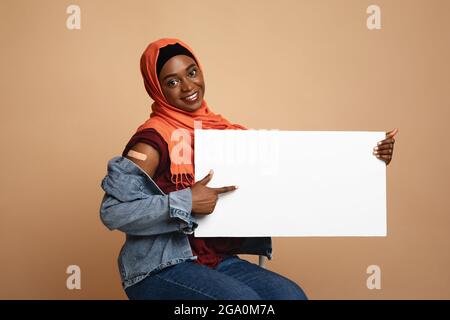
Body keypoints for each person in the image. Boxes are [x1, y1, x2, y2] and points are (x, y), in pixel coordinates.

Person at [99, 38, 397, 300]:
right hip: (160, 267)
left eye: (192, 72)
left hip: (213, 260)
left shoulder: (223, 133)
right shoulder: (152, 141)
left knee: (291, 296)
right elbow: (112, 212)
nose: (189, 86)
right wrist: (186, 201)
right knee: (243, 302)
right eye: (172, 81)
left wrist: (367, 160)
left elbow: (298, 172)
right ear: (157, 87)